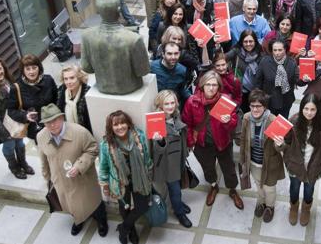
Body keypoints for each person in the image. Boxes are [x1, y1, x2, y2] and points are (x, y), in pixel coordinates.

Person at [37, 104, 108, 237]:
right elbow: (43, 159)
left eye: (55, 120)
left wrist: (79, 166)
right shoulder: (41, 136)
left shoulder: (80, 132)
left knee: (93, 202)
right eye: (48, 122)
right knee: (71, 205)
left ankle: (101, 219)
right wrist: (47, 178)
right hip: (61, 180)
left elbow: (93, 149)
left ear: (62, 117)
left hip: (83, 178)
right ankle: (78, 220)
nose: (52, 125)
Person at [182, 71, 244, 209]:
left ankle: (232, 190)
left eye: (214, 85)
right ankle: (214, 186)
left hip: (223, 143)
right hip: (202, 144)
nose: (211, 88)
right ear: (202, 86)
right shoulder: (192, 102)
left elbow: (234, 123)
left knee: (229, 169)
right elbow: (186, 124)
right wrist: (191, 141)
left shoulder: (225, 100)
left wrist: (228, 121)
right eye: (208, 84)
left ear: (219, 86)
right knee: (208, 168)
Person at [274, 93, 321, 227]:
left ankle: (306, 209)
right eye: (306, 109)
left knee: (309, 190)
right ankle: (294, 208)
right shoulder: (293, 121)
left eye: (313, 109)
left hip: (314, 167)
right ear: (301, 108)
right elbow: (286, 143)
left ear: (318, 110)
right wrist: (279, 145)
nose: (309, 112)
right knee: (294, 188)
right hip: (295, 164)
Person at [98, 111, 151, 244]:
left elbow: (146, 155)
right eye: (115, 124)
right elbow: (104, 166)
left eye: (122, 123)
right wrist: (104, 184)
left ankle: (124, 228)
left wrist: (149, 172)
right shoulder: (106, 145)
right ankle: (131, 230)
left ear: (128, 123)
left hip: (139, 178)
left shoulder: (139, 136)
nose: (120, 127)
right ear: (111, 127)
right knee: (125, 208)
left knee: (143, 206)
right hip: (120, 181)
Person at [239, 89, 285, 222]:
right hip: (253, 162)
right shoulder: (247, 117)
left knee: (269, 188)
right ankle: (261, 202)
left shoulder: (274, 121)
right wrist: (243, 160)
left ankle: (270, 207)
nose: (255, 109)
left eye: (258, 106)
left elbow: (281, 147)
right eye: (252, 106)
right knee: (259, 185)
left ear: (265, 107)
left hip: (269, 164)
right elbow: (243, 139)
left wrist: (279, 143)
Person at [151, 90, 193, 228]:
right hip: (167, 164)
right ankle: (179, 212)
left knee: (177, 187)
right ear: (160, 105)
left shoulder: (175, 115)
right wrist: (160, 141)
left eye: (172, 102)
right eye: (166, 103)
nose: (170, 106)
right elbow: (157, 150)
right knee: (175, 190)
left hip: (178, 158)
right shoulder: (156, 120)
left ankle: (179, 204)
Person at [6, 54, 58, 142]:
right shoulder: (16, 87)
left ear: (39, 68)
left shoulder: (48, 80)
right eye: (28, 69)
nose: (31, 72)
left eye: (34, 68)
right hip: (36, 130)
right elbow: (11, 110)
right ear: (23, 71)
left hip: (54, 123)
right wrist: (25, 115)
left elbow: (57, 100)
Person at [255, 40, 309, 118]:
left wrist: (304, 80)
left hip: (286, 101)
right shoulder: (265, 62)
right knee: (268, 125)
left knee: (282, 125)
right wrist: (258, 99)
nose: (277, 53)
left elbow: (297, 80)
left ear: (285, 50)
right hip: (268, 101)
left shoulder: (291, 62)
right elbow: (258, 82)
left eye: (280, 50)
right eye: (275, 50)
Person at [226, 29, 264, 113]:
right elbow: (222, 59)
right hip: (241, 90)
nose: (248, 44)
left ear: (255, 41)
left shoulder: (261, 54)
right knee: (243, 114)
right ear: (241, 42)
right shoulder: (236, 51)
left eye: (251, 41)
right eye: (245, 41)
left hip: (256, 91)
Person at [57, 65, 93, 134]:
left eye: (72, 78)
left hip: (86, 134)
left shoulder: (87, 93)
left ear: (79, 77)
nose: (68, 82)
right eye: (65, 79)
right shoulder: (61, 90)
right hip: (67, 133)